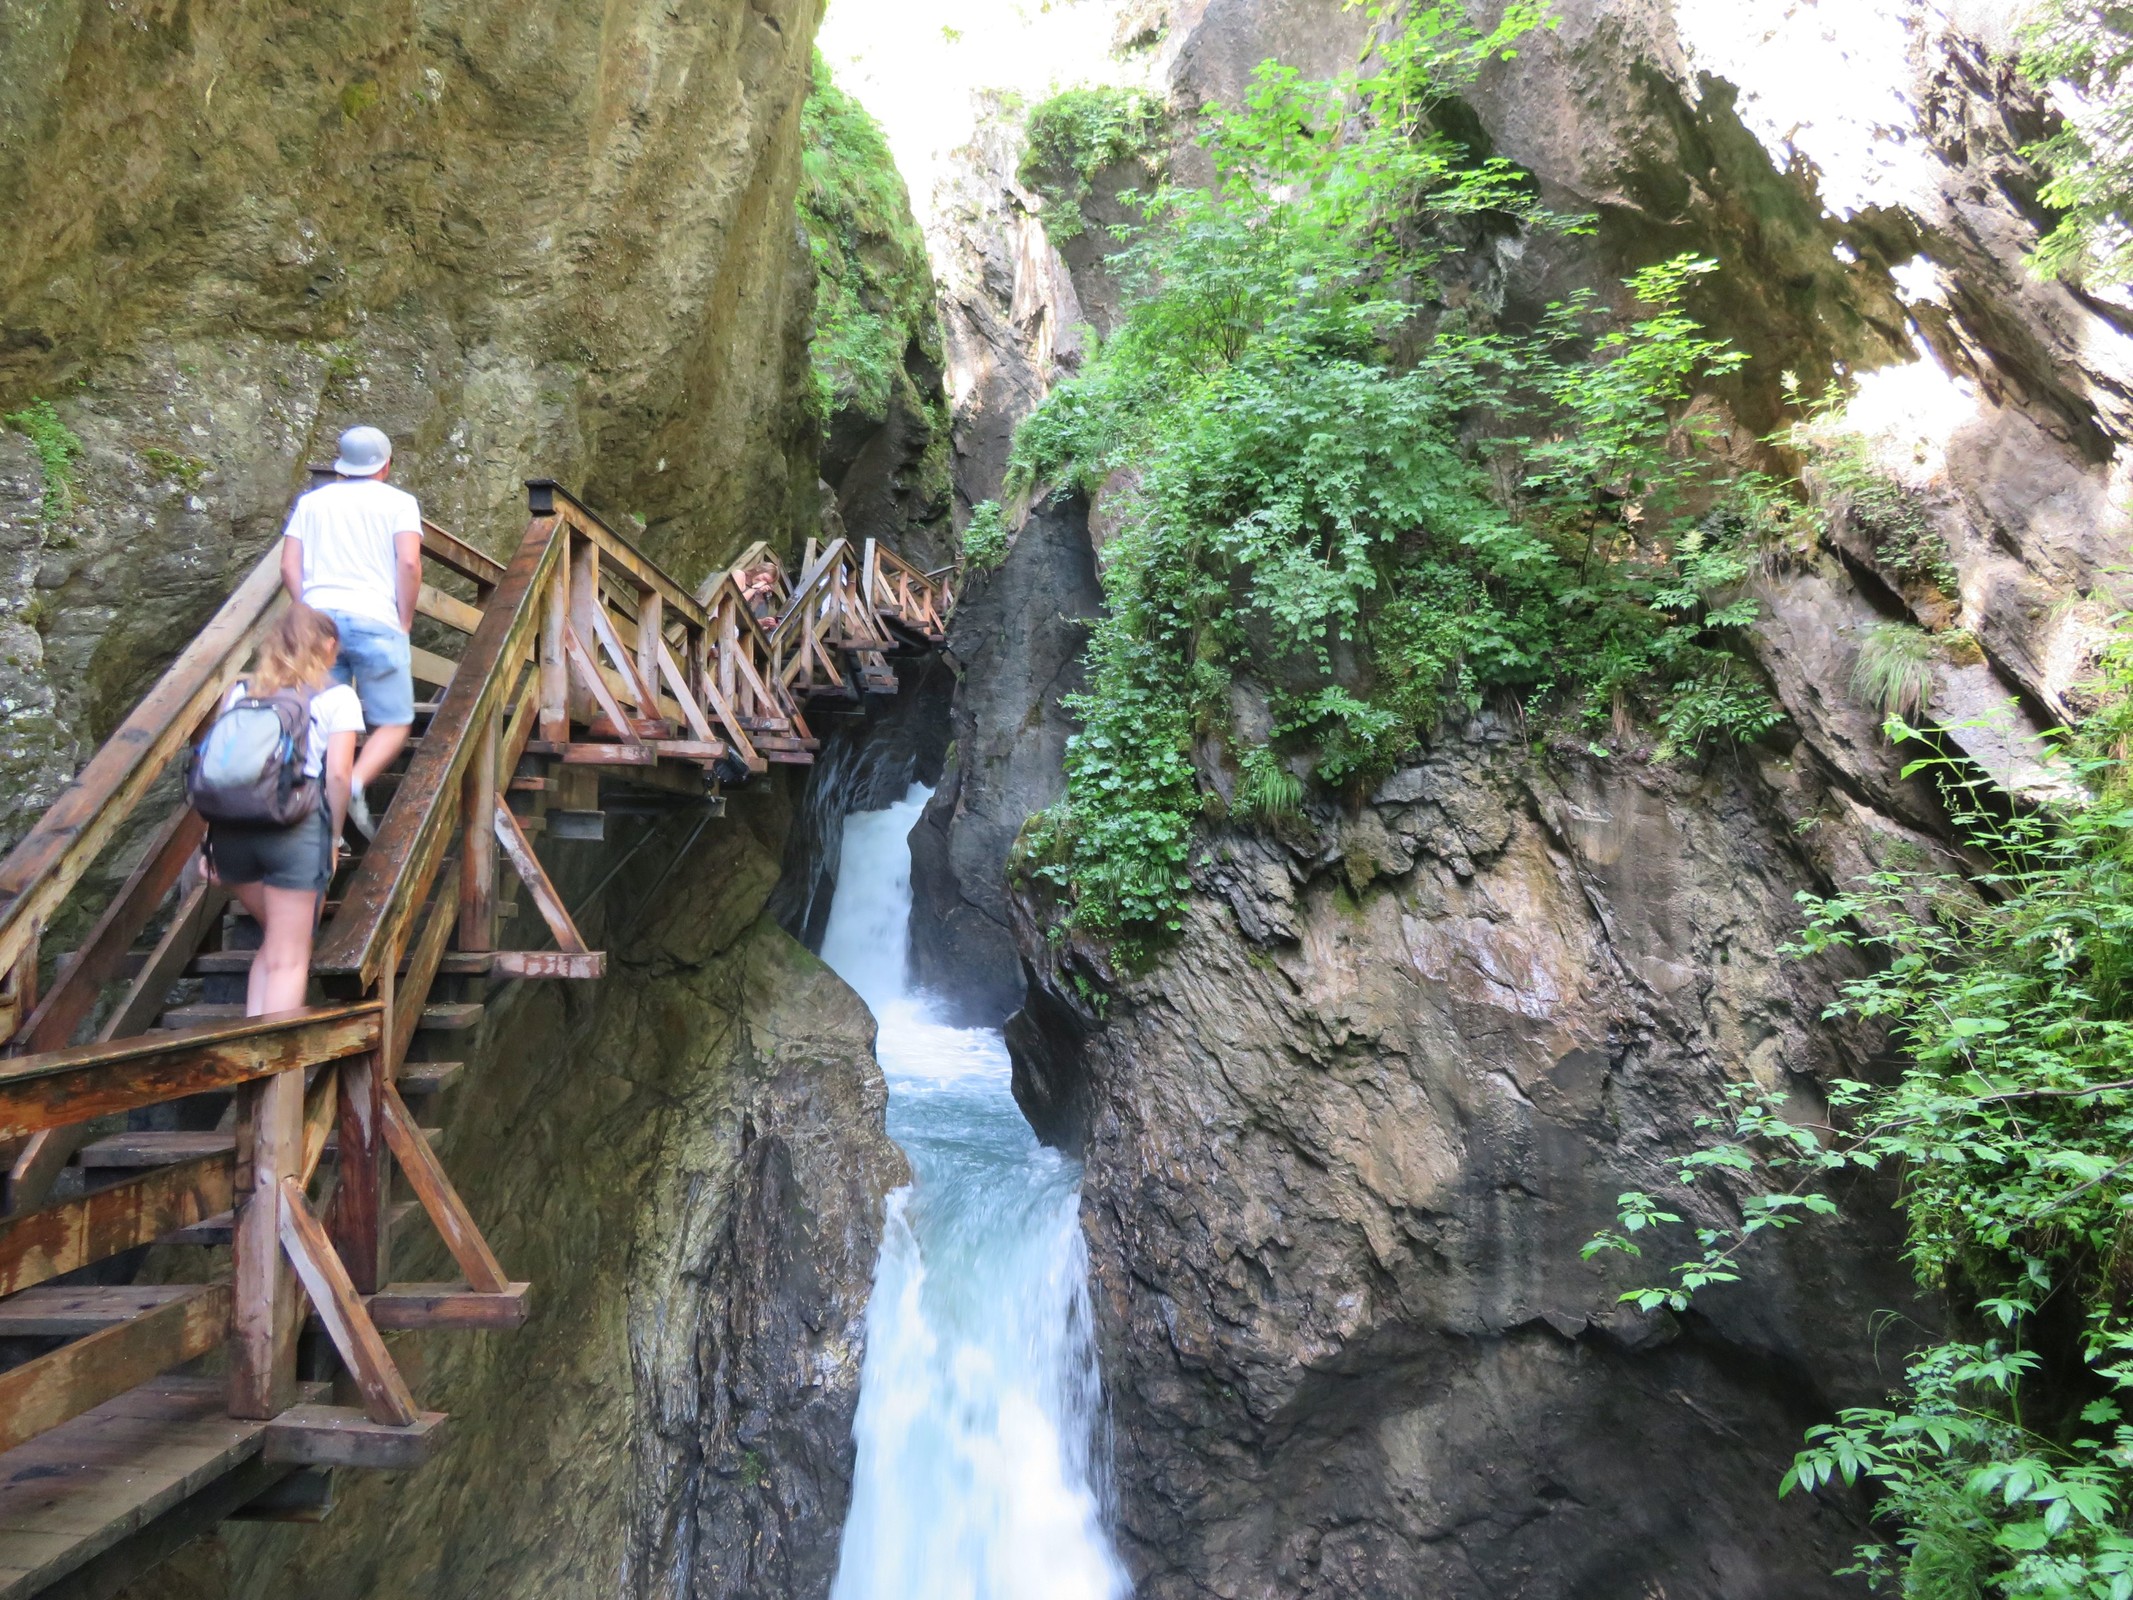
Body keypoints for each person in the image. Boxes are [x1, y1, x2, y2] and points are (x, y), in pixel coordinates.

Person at [200, 605, 363, 1015]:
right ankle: (276, 1072)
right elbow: (339, 776)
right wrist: (332, 838)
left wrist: (208, 843)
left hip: (231, 834)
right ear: (329, 646)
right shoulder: (338, 697)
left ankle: (253, 1064)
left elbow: (222, 771)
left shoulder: (240, 694)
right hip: (293, 830)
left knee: (275, 943)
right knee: (291, 955)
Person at [279, 424, 422, 837]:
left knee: (325, 721)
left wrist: (306, 612)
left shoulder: (312, 503)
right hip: (375, 618)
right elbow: (409, 564)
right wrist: (404, 618)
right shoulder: (400, 503)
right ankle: (354, 783)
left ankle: (324, 831)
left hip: (319, 624)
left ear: (342, 464)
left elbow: (289, 566)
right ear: (387, 465)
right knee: (394, 722)